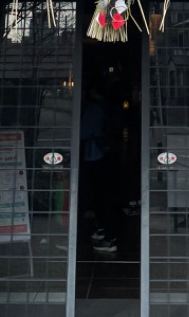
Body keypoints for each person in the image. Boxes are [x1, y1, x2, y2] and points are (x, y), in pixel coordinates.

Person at [80, 84, 119, 255]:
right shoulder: (111, 107)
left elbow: (82, 132)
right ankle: (106, 231)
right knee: (107, 194)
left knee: (100, 195)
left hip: (95, 154)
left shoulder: (94, 108)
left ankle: (108, 235)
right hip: (107, 154)